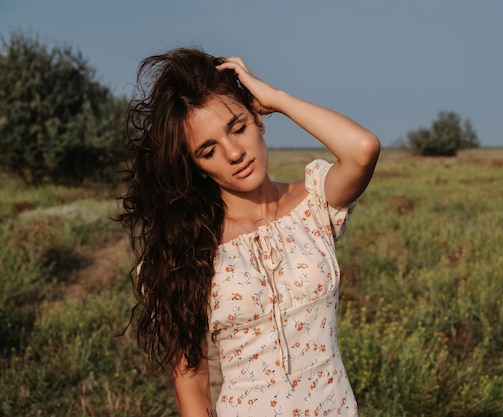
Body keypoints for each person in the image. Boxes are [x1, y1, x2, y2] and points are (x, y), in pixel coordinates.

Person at [117, 47, 380, 417]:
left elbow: (363, 149)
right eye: (209, 150)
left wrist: (276, 98)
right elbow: (190, 382)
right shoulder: (186, 250)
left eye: (237, 127)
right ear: (196, 167)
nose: (234, 153)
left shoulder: (314, 203)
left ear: (258, 118)